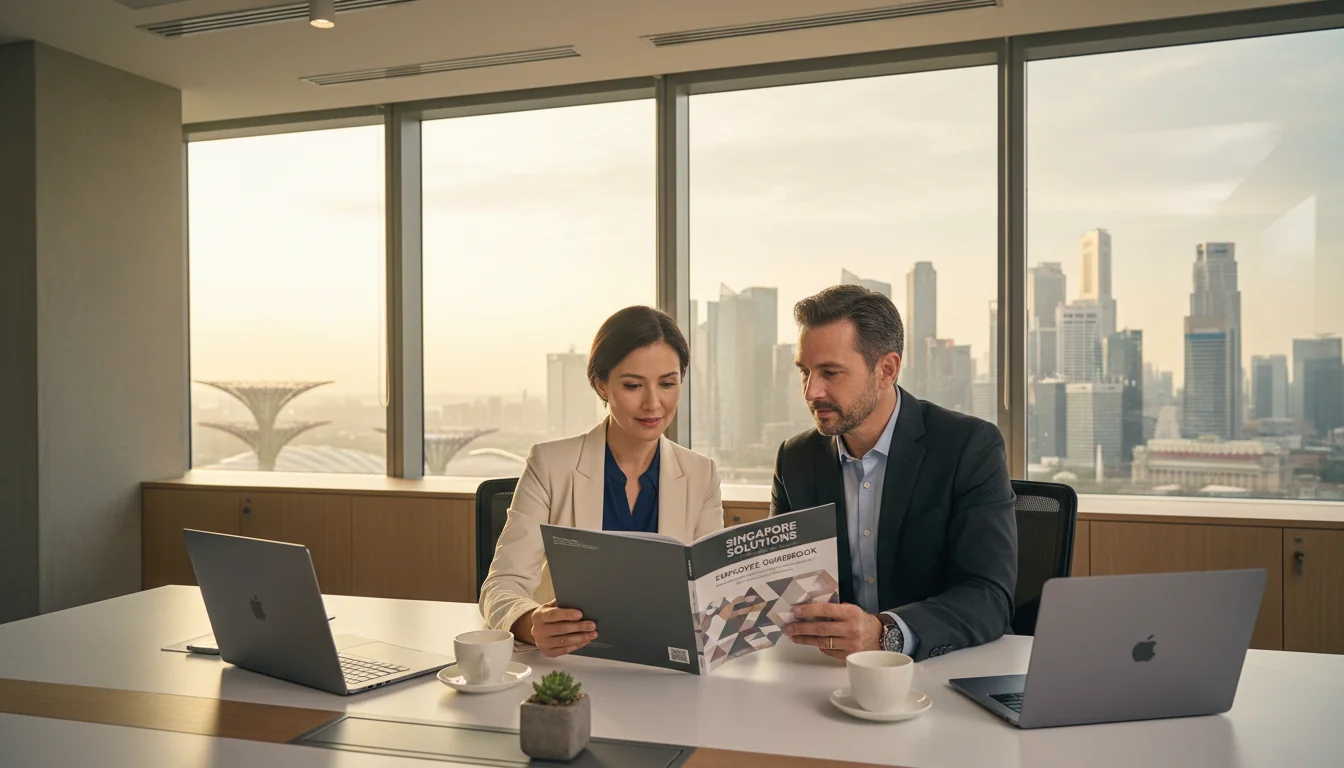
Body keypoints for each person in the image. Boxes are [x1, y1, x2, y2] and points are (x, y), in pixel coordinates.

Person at [772, 285, 1017, 662]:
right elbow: (784, 584)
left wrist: (886, 633)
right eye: (805, 371)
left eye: (830, 373)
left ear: (886, 370)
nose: (811, 391)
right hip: (828, 671)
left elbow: (989, 596)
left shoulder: (968, 447)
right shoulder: (795, 459)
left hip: (942, 667)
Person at [479, 306, 724, 658]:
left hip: (667, 668)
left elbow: (711, 592)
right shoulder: (550, 465)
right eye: (633, 385)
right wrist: (531, 622)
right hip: (573, 667)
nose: (653, 403)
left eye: (668, 384)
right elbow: (501, 585)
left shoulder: (702, 475)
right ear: (601, 385)